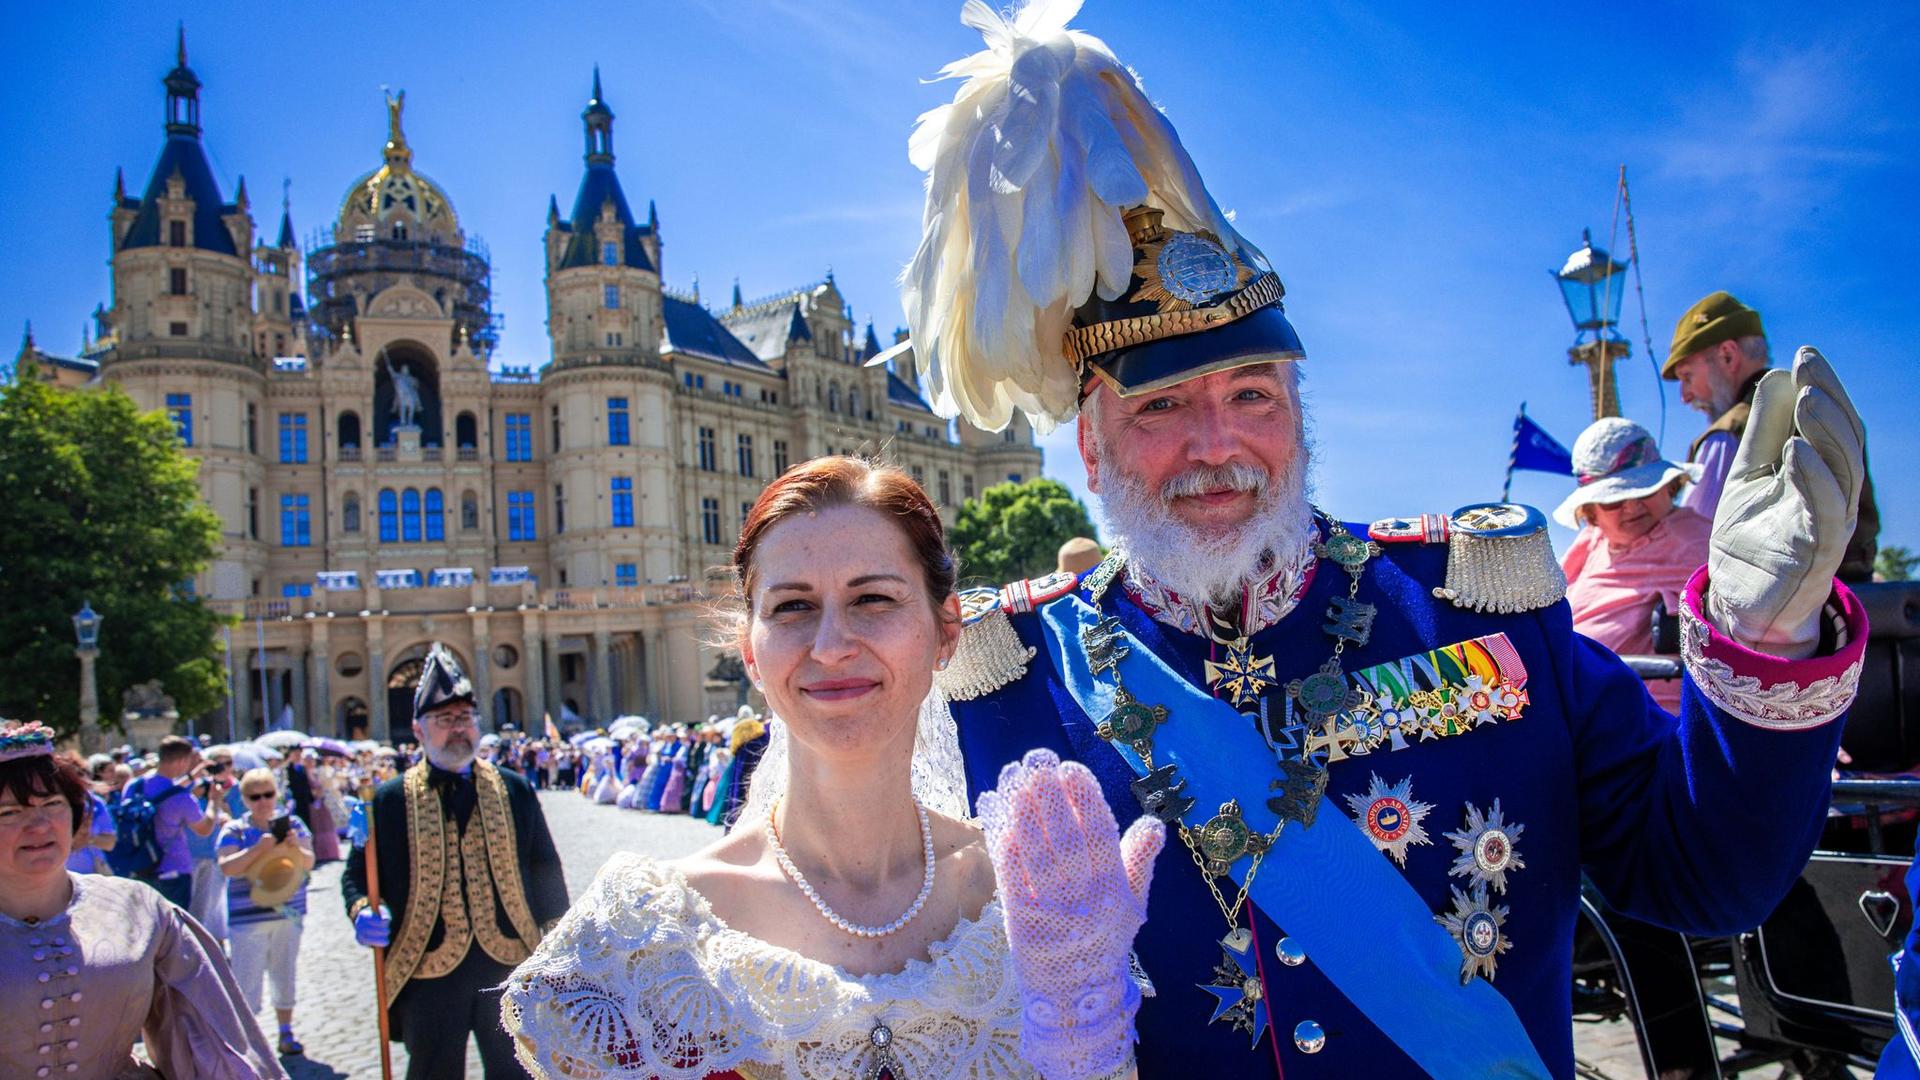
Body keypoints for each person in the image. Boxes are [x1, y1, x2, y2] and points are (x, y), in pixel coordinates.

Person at [893, 5, 1872, 1075]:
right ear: (1091, 446)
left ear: (1300, 414)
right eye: (1161, 407)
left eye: (1253, 394)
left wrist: (1764, 639)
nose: (1217, 446)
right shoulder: (1009, 684)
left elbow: (1707, 878)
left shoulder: (1477, 603)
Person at [502, 457, 1162, 1079]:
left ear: (946, 630)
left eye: (873, 598)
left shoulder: (1033, 898)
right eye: (792, 607)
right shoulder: (641, 942)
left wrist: (1085, 1039)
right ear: (751, 653)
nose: (831, 646)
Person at [0, 721, 286, 1079]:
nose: (39, 825)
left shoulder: (140, 909)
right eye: (9, 812)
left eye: (53, 804)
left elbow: (210, 1042)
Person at [343, 643, 570, 1079]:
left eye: (464, 717)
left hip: (510, 963)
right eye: (444, 720)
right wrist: (364, 910)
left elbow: (544, 865)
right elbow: (357, 875)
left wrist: (556, 935)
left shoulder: (514, 788)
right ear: (418, 729)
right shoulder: (387, 800)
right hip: (426, 969)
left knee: (518, 1071)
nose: (457, 729)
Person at [1666, 290, 1879, 581]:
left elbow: (1689, 547)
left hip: (1776, 599)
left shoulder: (1727, 434)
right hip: (1851, 590)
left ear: (1728, 355)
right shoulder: (1824, 406)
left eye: (1687, 376)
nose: (1684, 395)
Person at [1555, 417, 1713, 711]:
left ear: (1668, 486)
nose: (1631, 505)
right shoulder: (1590, 541)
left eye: (1644, 489)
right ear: (1591, 512)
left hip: (1648, 719)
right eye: (1613, 500)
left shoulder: (1695, 542)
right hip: (1573, 706)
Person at [218, 767, 315, 1056]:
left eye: (268, 794)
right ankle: (248, 1043)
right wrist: (257, 850)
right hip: (248, 918)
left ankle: (286, 1032)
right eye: (255, 796)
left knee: (285, 972)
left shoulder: (293, 824)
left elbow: (309, 861)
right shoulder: (235, 829)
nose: (263, 801)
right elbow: (227, 867)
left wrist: (295, 848)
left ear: (277, 794)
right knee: (246, 979)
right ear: (244, 799)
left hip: (288, 913)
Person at [129, 735, 227, 908]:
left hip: (138, 866)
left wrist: (191, 777)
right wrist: (214, 801)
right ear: (182, 761)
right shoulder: (182, 798)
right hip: (173, 869)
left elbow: (165, 791)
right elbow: (204, 829)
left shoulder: (134, 786)